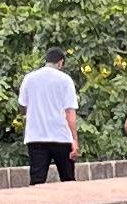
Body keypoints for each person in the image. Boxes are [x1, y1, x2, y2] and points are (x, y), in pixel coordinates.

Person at [20, 47, 81, 183]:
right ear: (60, 63)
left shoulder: (29, 79)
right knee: (68, 180)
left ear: (46, 61)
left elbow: (23, 106)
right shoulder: (65, 80)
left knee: (37, 181)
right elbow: (70, 112)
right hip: (61, 137)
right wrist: (74, 140)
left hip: (36, 137)